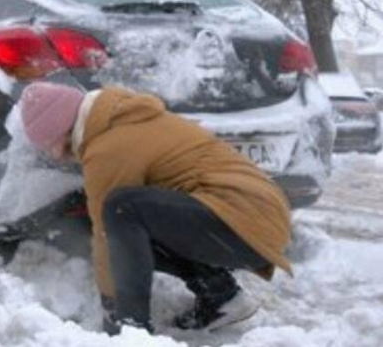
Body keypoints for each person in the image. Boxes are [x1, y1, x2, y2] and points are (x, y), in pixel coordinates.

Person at [20, 82, 292, 335]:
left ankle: (131, 328)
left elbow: (106, 234)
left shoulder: (108, 147)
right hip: (252, 213)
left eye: (50, 146)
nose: (55, 155)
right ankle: (222, 297)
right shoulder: (121, 120)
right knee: (137, 227)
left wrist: (112, 311)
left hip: (242, 215)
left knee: (121, 209)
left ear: (60, 128)